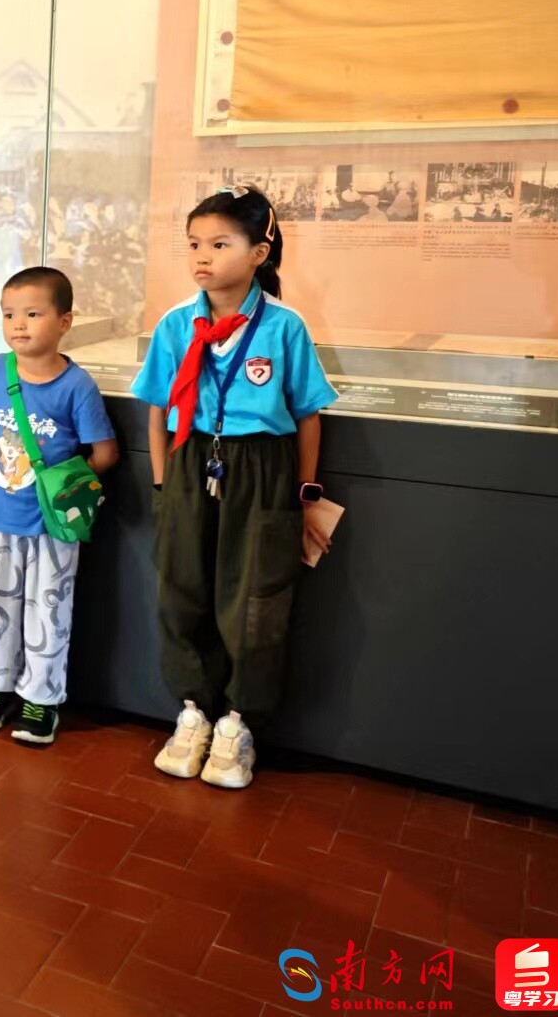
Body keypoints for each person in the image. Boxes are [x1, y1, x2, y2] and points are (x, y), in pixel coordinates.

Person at [131, 188, 337, 790]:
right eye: (195, 244)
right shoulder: (176, 324)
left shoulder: (283, 326)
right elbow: (158, 407)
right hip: (191, 459)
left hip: (262, 467)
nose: (203, 256)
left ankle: (238, 723)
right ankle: (193, 711)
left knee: (255, 596)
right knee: (182, 585)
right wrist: (165, 481)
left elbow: (307, 414)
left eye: (220, 244)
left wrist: (302, 492)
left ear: (258, 252)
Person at [0, 267, 118, 746]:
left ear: (65, 321)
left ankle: (41, 699)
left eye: (33, 313)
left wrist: (68, 486)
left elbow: (105, 453)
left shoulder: (76, 386)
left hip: (52, 526)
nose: (18, 324)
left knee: (49, 611)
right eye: (9, 314)